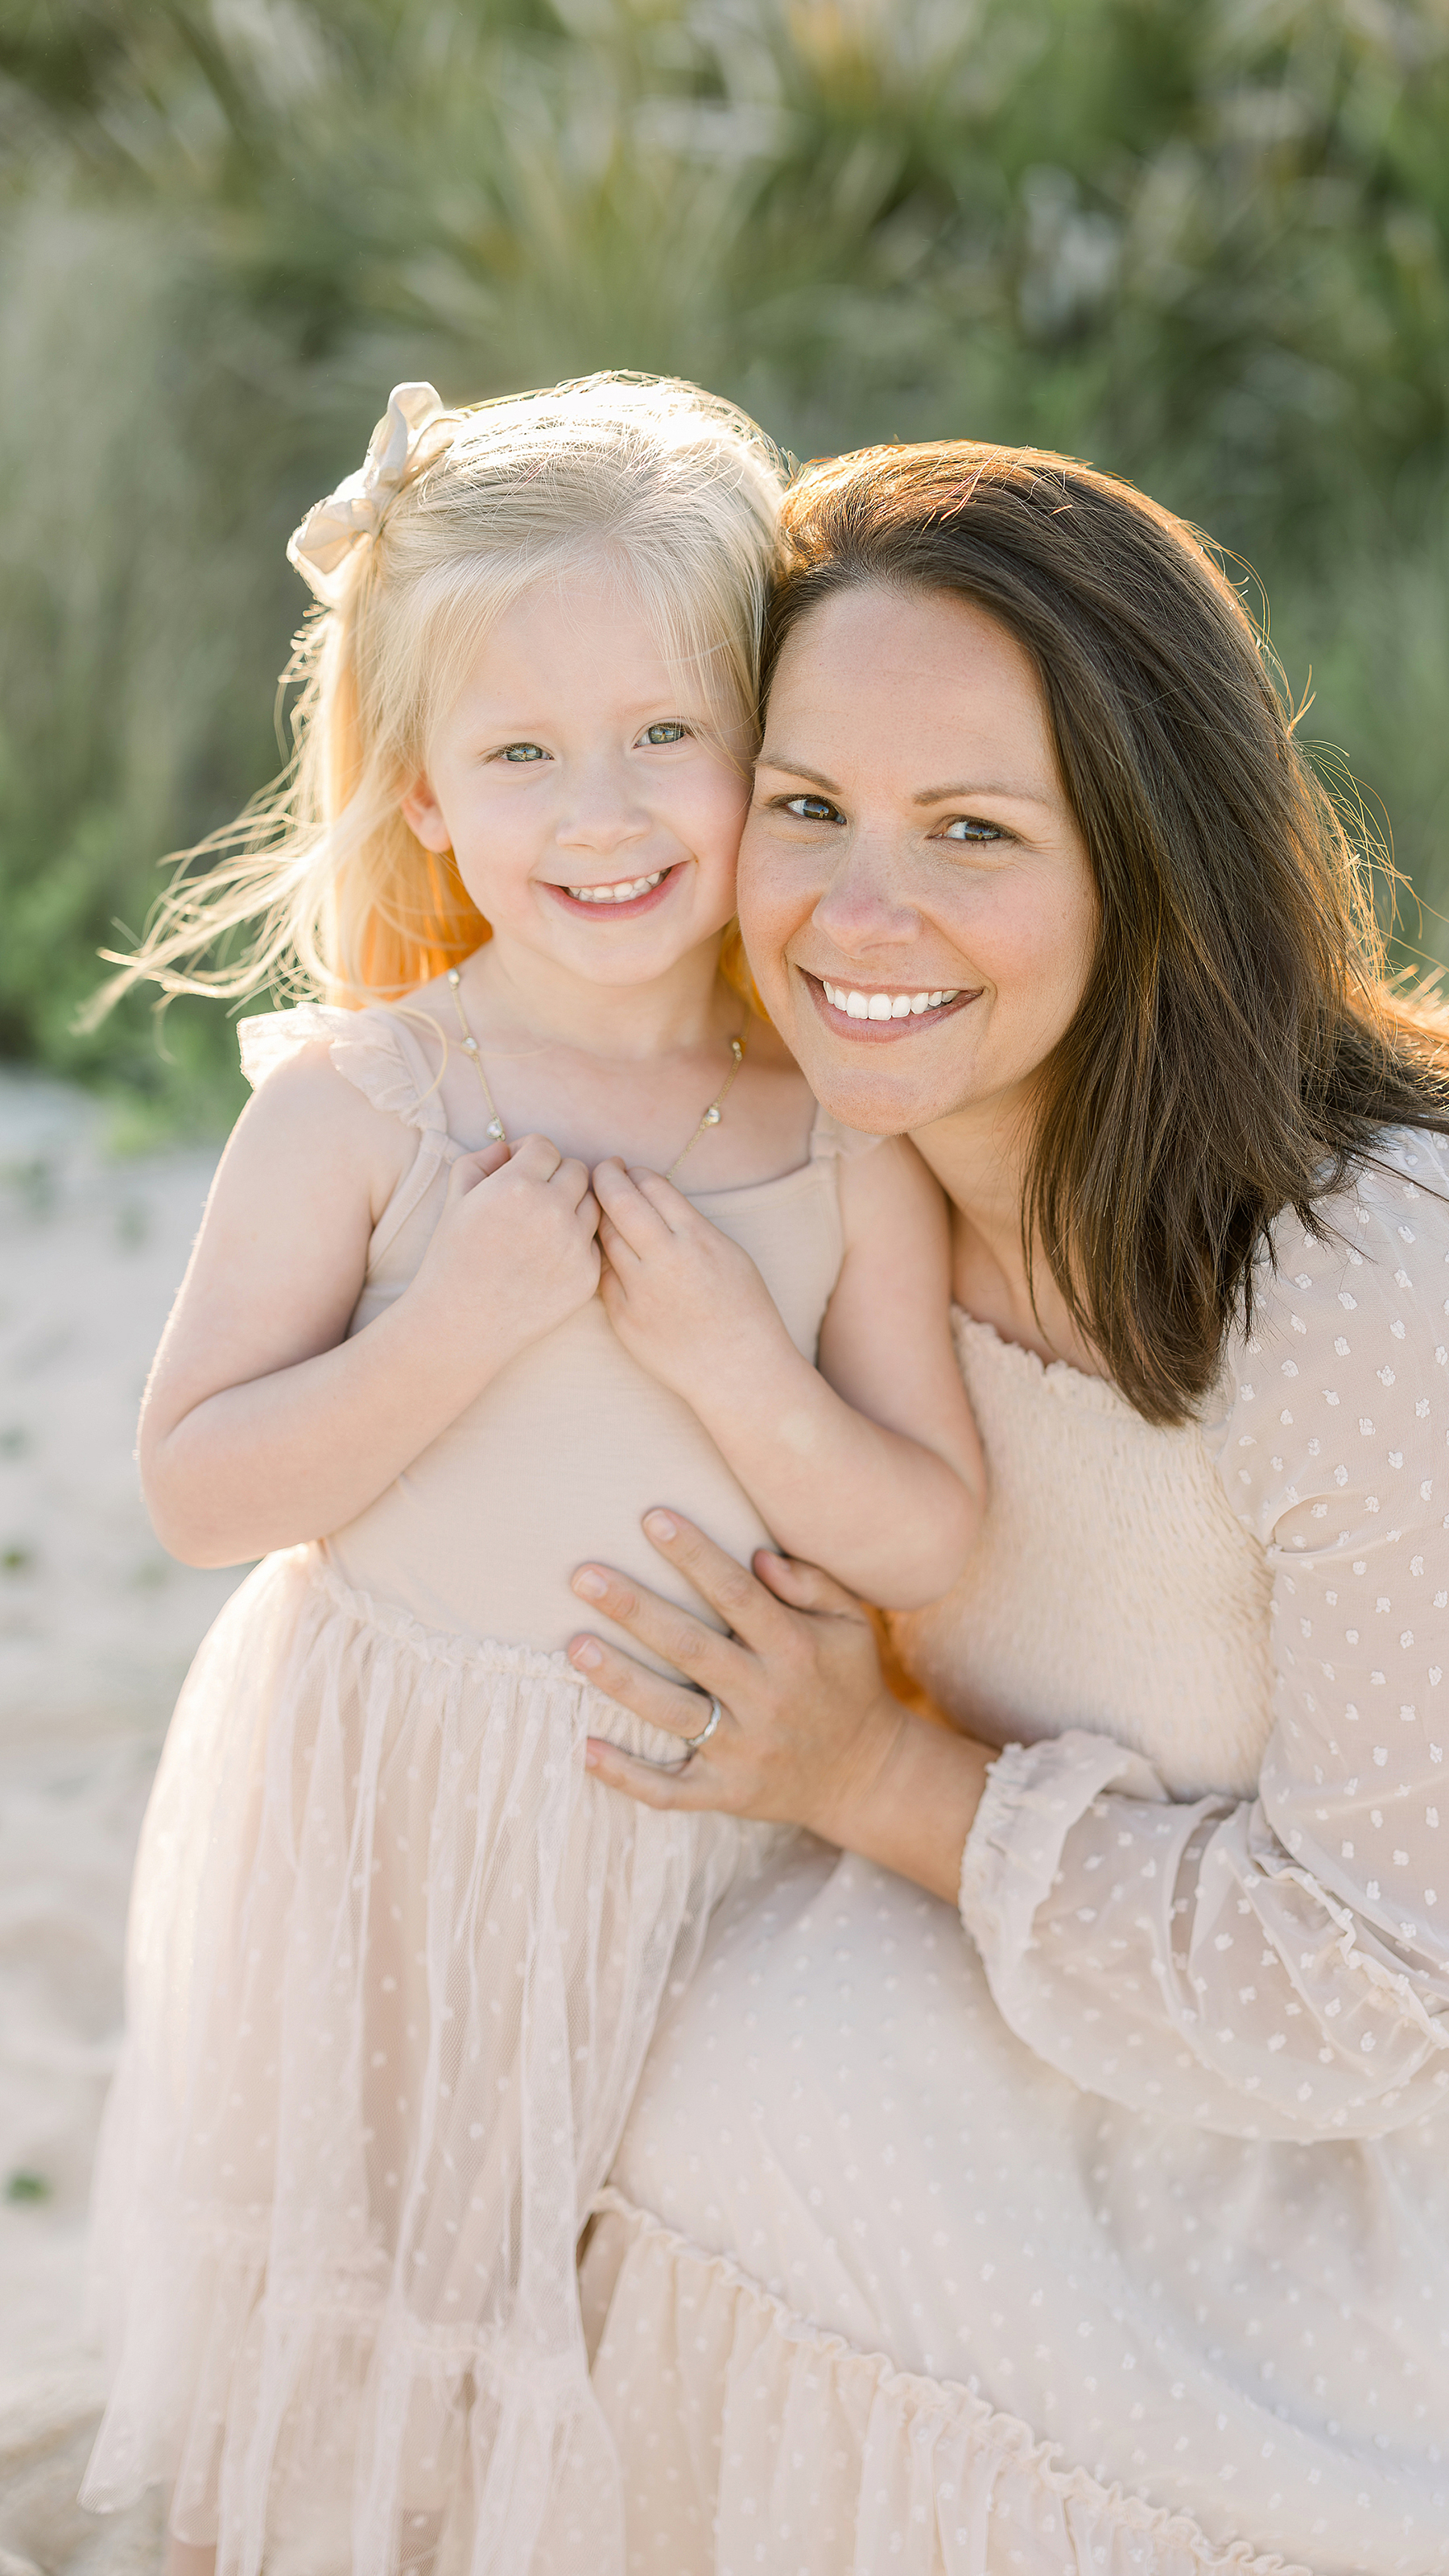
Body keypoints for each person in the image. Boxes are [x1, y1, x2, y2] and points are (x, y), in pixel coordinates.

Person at [567, 441, 1449, 2576]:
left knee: (768, 2123)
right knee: (653, 2086)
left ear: (1148, 864)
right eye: (808, 805)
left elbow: (1404, 1984)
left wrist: (873, 1774)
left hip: (1429, 2138)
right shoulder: (817, 1147)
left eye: (973, 832)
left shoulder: (1405, 1274)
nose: (859, 913)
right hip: (1032, 1931)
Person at [76, 380, 985, 2576]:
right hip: (393, 1821)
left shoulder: (836, 1128)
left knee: (617, 2305)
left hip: (695, 1839)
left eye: (668, 735)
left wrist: (731, 1368)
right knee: (366, 2300)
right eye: (520, 753)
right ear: (416, 794)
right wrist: (456, 1326)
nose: (604, 811)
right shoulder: (373, 1105)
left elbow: (927, 1526)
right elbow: (202, 1486)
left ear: (768, 748)